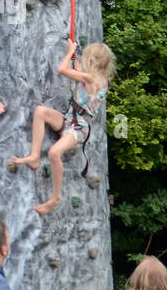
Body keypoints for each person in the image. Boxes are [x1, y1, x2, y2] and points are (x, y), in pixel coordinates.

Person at [12, 39, 115, 214]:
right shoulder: (100, 80)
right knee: (40, 111)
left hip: (78, 128)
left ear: (91, 60)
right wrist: (76, 65)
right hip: (69, 118)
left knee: (54, 153)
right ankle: (35, 156)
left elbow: (62, 70)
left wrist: (69, 51)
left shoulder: (91, 78)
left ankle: (55, 198)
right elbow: (80, 77)